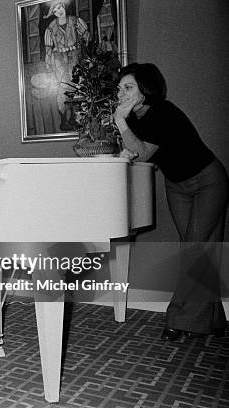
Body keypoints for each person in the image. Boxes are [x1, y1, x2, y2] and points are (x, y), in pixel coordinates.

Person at [114, 63, 228, 341]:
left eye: (128, 87)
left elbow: (139, 154)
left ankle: (177, 319)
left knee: (193, 249)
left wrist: (119, 122)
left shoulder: (162, 112)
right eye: (119, 88)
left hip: (208, 181)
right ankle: (212, 320)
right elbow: (129, 153)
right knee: (200, 249)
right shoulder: (136, 120)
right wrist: (124, 130)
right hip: (177, 186)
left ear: (145, 90)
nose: (121, 93)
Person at [43, 0, 90, 131]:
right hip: (59, 59)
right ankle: (64, 120)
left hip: (75, 56)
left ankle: (75, 119)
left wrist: (85, 53)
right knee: (63, 88)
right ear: (52, 13)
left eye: (60, 7)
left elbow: (87, 38)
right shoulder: (50, 28)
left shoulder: (76, 21)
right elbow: (48, 50)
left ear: (63, 6)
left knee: (78, 86)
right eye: (55, 10)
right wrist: (49, 68)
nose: (59, 10)